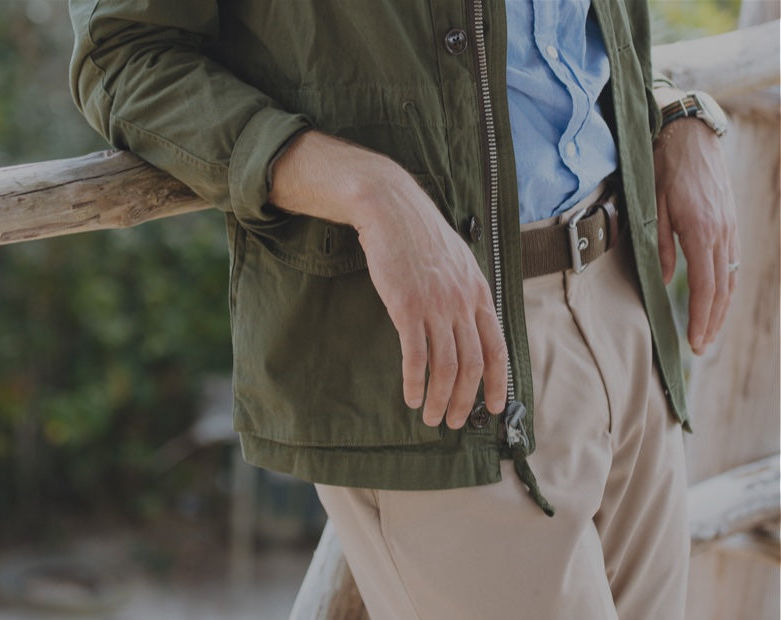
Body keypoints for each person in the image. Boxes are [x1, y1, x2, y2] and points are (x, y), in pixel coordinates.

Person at [69, 1, 738, 617]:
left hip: (624, 296)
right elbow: (126, 59)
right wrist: (366, 188)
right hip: (436, 349)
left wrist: (667, 106)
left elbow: (547, 50)